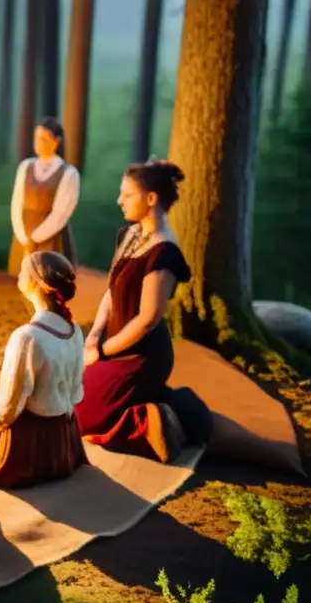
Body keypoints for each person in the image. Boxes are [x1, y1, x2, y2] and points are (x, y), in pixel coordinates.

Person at [75, 160, 211, 463]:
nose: (119, 201)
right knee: (70, 402)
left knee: (83, 419)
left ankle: (169, 413)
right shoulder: (129, 235)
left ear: (151, 199)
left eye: (127, 195)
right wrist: (94, 337)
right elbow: (112, 289)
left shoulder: (164, 253)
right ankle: (149, 398)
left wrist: (105, 350)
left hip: (142, 355)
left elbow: (148, 319)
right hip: (112, 346)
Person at [0, 252, 88, 489]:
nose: (19, 274)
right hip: (65, 439)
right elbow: (76, 392)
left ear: (39, 284)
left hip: (34, 447)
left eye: (23, 270)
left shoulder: (27, 337)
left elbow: (10, 405)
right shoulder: (74, 330)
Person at [8, 117, 80, 276]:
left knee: (46, 279)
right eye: (37, 138)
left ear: (56, 142)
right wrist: (22, 236)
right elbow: (16, 203)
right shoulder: (26, 166)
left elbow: (62, 212)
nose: (39, 143)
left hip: (50, 238)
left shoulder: (68, 173)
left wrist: (37, 237)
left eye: (44, 139)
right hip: (24, 236)